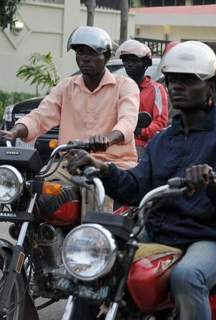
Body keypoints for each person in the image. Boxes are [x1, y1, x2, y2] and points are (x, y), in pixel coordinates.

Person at [66, 41, 216, 320]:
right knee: (96, 265)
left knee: (187, 276)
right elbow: (135, 186)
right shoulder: (162, 139)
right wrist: (100, 167)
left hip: (209, 236)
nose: (178, 86)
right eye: (173, 79)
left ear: (211, 86)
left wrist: (212, 180)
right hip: (158, 230)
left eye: (188, 79)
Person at [0, 26, 140, 213]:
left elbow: (128, 120)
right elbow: (41, 115)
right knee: (33, 188)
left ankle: (94, 239)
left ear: (106, 57)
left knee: (95, 191)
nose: (85, 57)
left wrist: (108, 139)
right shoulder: (66, 87)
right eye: (80, 52)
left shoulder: (125, 85)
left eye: (92, 52)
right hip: (70, 163)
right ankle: (34, 237)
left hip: (111, 163)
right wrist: (15, 131)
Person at [117, 39, 168, 151]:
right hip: (117, 143)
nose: (129, 64)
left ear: (146, 64)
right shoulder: (118, 87)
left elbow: (160, 123)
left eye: (134, 61)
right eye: (126, 60)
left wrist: (140, 131)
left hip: (143, 146)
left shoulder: (157, 89)